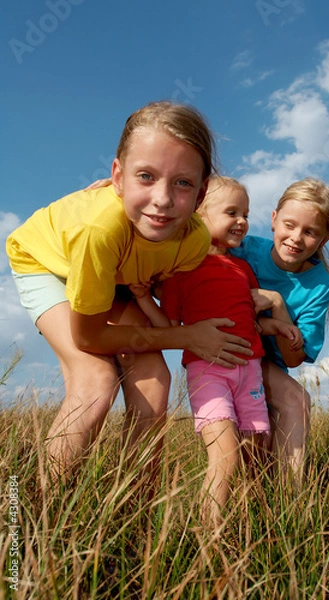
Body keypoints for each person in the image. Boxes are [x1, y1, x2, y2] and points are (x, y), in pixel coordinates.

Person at [5, 101, 254, 482]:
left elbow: (166, 295)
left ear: (202, 195)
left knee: (155, 380)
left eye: (182, 182)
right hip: (49, 263)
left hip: (113, 276)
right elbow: (89, 336)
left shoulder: (192, 240)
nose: (163, 199)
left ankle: (132, 518)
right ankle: (34, 518)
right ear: (118, 177)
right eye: (146, 176)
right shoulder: (99, 230)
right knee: (95, 380)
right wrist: (184, 336)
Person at [134, 176, 303, 525]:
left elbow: (250, 321)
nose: (242, 220)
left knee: (256, 451)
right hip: (208, 372)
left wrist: (279, 327)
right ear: (199, 214)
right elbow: (169, 327)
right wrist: (141, 298)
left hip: (250, 371)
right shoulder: (184, 270)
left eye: (245, 213)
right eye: (231, 212)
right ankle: (208, 537)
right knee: (225, 454)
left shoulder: (242, 269)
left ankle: (255, 524)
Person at [231, 177, 329, 481]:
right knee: (249, 453)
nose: (296, 238)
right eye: (290, 225)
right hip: (230, 351)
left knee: (296, 402)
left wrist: (278, 306)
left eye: (310, 232)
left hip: (267, 363)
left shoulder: (317, 285)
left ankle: (289, 501)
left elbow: (294, 359)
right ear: (273, 220)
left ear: (324, 239)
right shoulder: (244, 250)